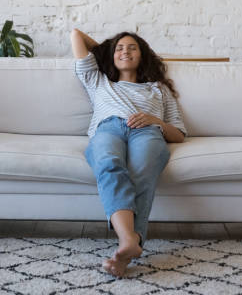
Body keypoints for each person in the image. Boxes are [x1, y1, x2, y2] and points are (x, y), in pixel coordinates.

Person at [70, 28, 186, 277]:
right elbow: (76, 35)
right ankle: (129, 241)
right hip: (108, 129)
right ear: (111, 55)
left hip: (148, 131)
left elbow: (178, 133)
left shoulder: (158, 89)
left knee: (142, 174)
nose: (125, 51)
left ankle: (126, 247)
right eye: (120, 48)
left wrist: (154, 119)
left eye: (133, 47)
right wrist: (107, 49)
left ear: (143, 55)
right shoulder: (98, 80)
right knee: (108, 163)